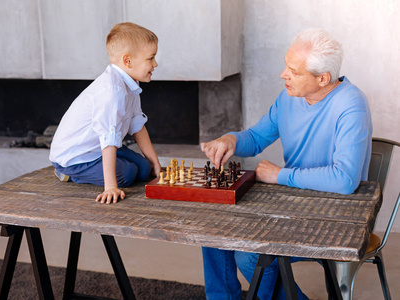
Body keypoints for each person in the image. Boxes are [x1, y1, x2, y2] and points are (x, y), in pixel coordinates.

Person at [200, 28, 372, 299]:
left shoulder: (351, 104)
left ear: (323, 78)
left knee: (249, 257)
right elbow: (257, 137)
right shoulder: (288, 98)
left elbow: (344, 179)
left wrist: (280, 175)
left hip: (336, 212)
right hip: (290, 203)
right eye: (286, 65)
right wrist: (230, 140)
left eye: (294, 70)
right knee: (211, 231)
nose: (283, 74)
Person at [49, 22, 161, 204]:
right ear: (128, 61)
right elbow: (108, 139)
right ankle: (68, 174)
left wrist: (155, 162)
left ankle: (137, 166)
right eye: (151, 58)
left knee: (144, 168)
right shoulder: (112, 91)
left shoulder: (131, 84)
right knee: (129, 174)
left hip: (97, 150)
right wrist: (110, 187)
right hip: (75, 157)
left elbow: (137, 125)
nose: (155, 64)